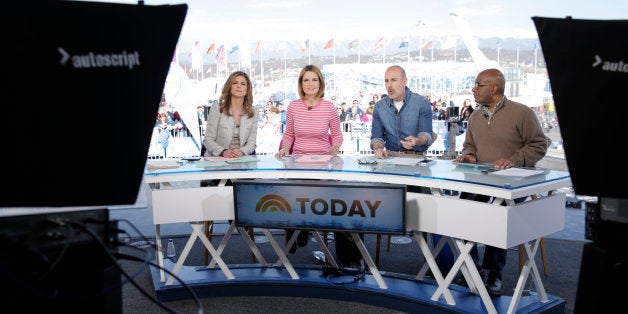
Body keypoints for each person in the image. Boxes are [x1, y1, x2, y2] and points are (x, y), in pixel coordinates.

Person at [438, 68, 551, 296]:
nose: (473, 89)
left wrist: (514, 160)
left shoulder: (522, 113)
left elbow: (539, 144)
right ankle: (471, 268)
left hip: (513, 183)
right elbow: (469, 145)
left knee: (498, 214)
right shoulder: (475, 116)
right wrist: (469, 155)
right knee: (462, 209)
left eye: (478, 85)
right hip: (480, 181)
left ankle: (493, 272)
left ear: (494, 88)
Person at [275, 64, 343, 254]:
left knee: (317, 199)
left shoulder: (329, 108)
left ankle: (305, 228)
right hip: (297, 163)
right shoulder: (293, 107)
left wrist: (335, 147)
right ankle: (299, 229)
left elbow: (337, 135)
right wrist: (285, 147)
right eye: (306, 80)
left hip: (323, 164)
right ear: (301, 83)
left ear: (320, 82)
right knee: (292, 197)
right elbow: (288, 134)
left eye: (314, 79)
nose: (310, 84)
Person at [370, 65, 436, 159]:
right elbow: (377, 137)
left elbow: (426, 135)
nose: (389, 85)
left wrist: (416, 140)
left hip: (415, 158)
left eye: (393, 80)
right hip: (390, 158)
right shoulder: (379, 107)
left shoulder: (422, 103)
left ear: (404, 81)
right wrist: (378, 149)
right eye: (386, 80)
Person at [203, 70, 258, 159]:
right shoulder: (217, 108)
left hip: (241, 159)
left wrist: (241, 152)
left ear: (247, 90)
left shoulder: (253, 112)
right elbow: (208, 139)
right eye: (235, 83)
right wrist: (223, 152)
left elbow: (252, 143)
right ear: (229, 87)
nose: (239, 86)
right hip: (217, 159)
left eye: (243, 84)